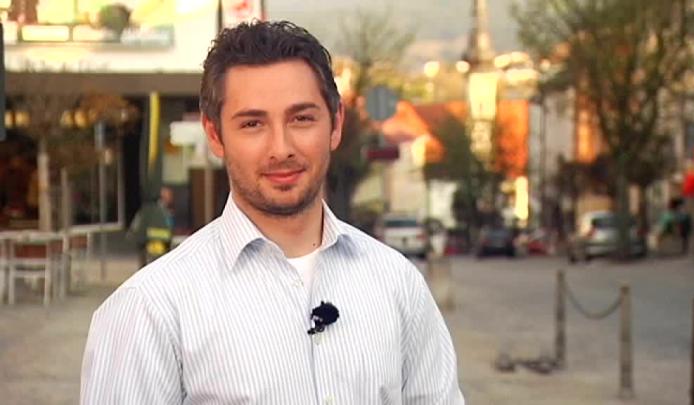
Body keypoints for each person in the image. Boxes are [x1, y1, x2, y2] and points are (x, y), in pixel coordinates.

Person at [81, 21, 463, 404]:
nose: (281, 148)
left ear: (335, 124)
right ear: (215, 135)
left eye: (301, 118)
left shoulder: (398, 284)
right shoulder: (149, 308)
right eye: (253, 123)